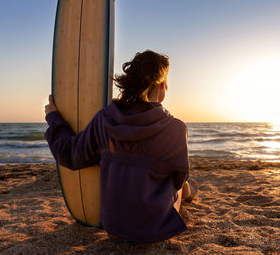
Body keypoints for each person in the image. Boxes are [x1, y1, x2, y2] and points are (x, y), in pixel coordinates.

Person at [44, 50, 196, 244]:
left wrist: (54, 118)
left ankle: (190, 191)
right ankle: (191, 193)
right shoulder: (175, 128)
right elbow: (178, 178)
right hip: (154, 231)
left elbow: (69, 154)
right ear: (161, 84)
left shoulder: (105, 119)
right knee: (182, 183)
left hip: (113, 228)